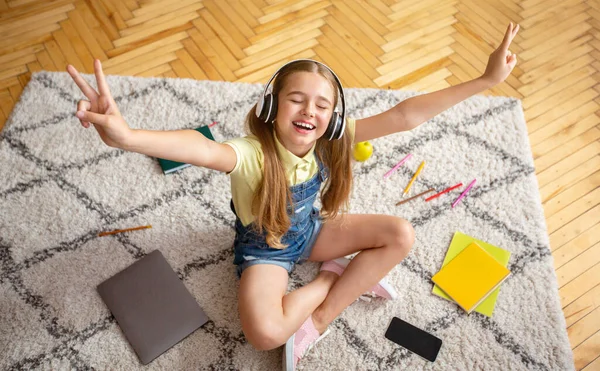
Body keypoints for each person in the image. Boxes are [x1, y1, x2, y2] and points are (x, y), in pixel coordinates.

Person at [66, 22, 519, 370]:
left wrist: (484, 81)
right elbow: (199, 147)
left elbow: (405, 115)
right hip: (266, 250)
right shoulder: (249, 154)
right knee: (264, 334)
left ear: (334, 120)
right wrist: (127, 137)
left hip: (310, 230)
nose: (310, 112)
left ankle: (318, 322)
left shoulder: (331, 142)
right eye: (297, 100)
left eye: (322, 106)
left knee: (400, 233)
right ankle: (330, 278)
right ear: (271, 107)